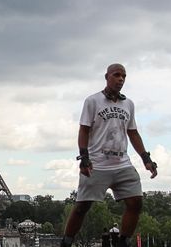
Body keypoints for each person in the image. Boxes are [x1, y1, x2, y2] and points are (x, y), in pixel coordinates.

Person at [60, 63, 158, 247]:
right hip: (98, 163)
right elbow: (84, 130)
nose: (121, 79)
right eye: (117, 75)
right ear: (107, 77)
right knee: (82, 207)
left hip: (122, 163)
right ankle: (66, 241)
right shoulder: (93, 101)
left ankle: (123, 241)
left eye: (124, 76)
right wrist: (84, 157)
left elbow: (133, 133)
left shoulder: (128, 104)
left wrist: (146, 158)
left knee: (136, 202)